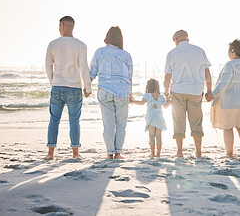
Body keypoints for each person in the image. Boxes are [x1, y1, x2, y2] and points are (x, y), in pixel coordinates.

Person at [44, 16, 92, 160]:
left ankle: (50, 153)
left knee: (54, 120)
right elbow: (84, 68)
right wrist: (87, 87)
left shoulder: (52, 44)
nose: (59, 28)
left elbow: (48, 67)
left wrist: (53, 82)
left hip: (57, 86)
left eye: (59, 26)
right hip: (74, 87)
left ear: (63, 25)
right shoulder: (81, 45)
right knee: (74, 121)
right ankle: (75, 153)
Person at [164, 30, 212, 158]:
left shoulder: (172, 53)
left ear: (176, 40)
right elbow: (207, 73)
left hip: (178, 91)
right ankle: (198, 152)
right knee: (196, 121)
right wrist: (209, 90)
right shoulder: (199, 51)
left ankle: (179, 152)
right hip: (196, 91)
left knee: (178, 121)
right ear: (187, 39)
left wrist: (166, 93)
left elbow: (167, 77)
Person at [209, 39, 240, 159]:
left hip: (230, 102)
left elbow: (223, 82)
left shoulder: (229, 65)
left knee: (228, 127)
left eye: (228, 50)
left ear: (232, 51)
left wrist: (213, 94)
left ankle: (229, 154)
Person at [90, 26, 133, 160]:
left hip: (105, 90)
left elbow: (92, 72)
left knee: (108, 124)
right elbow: (129, 77)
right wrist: (130, 94)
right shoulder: (125, 54)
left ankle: (110, 153)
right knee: (121, 124)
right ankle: (118, 153)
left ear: (107, 37)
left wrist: (86, 88)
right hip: (122, 91)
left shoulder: (100, 52)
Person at [131, 79, 171, 158]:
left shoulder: (147, 96)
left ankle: (152, 154)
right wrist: (169, 100)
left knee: (151, 136)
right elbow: (166, 106)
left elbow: (141, 103)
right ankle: (158, 154)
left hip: (151, 118)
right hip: (160, 118)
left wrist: (133, 101)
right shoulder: (161, 97)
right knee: (159, 136)